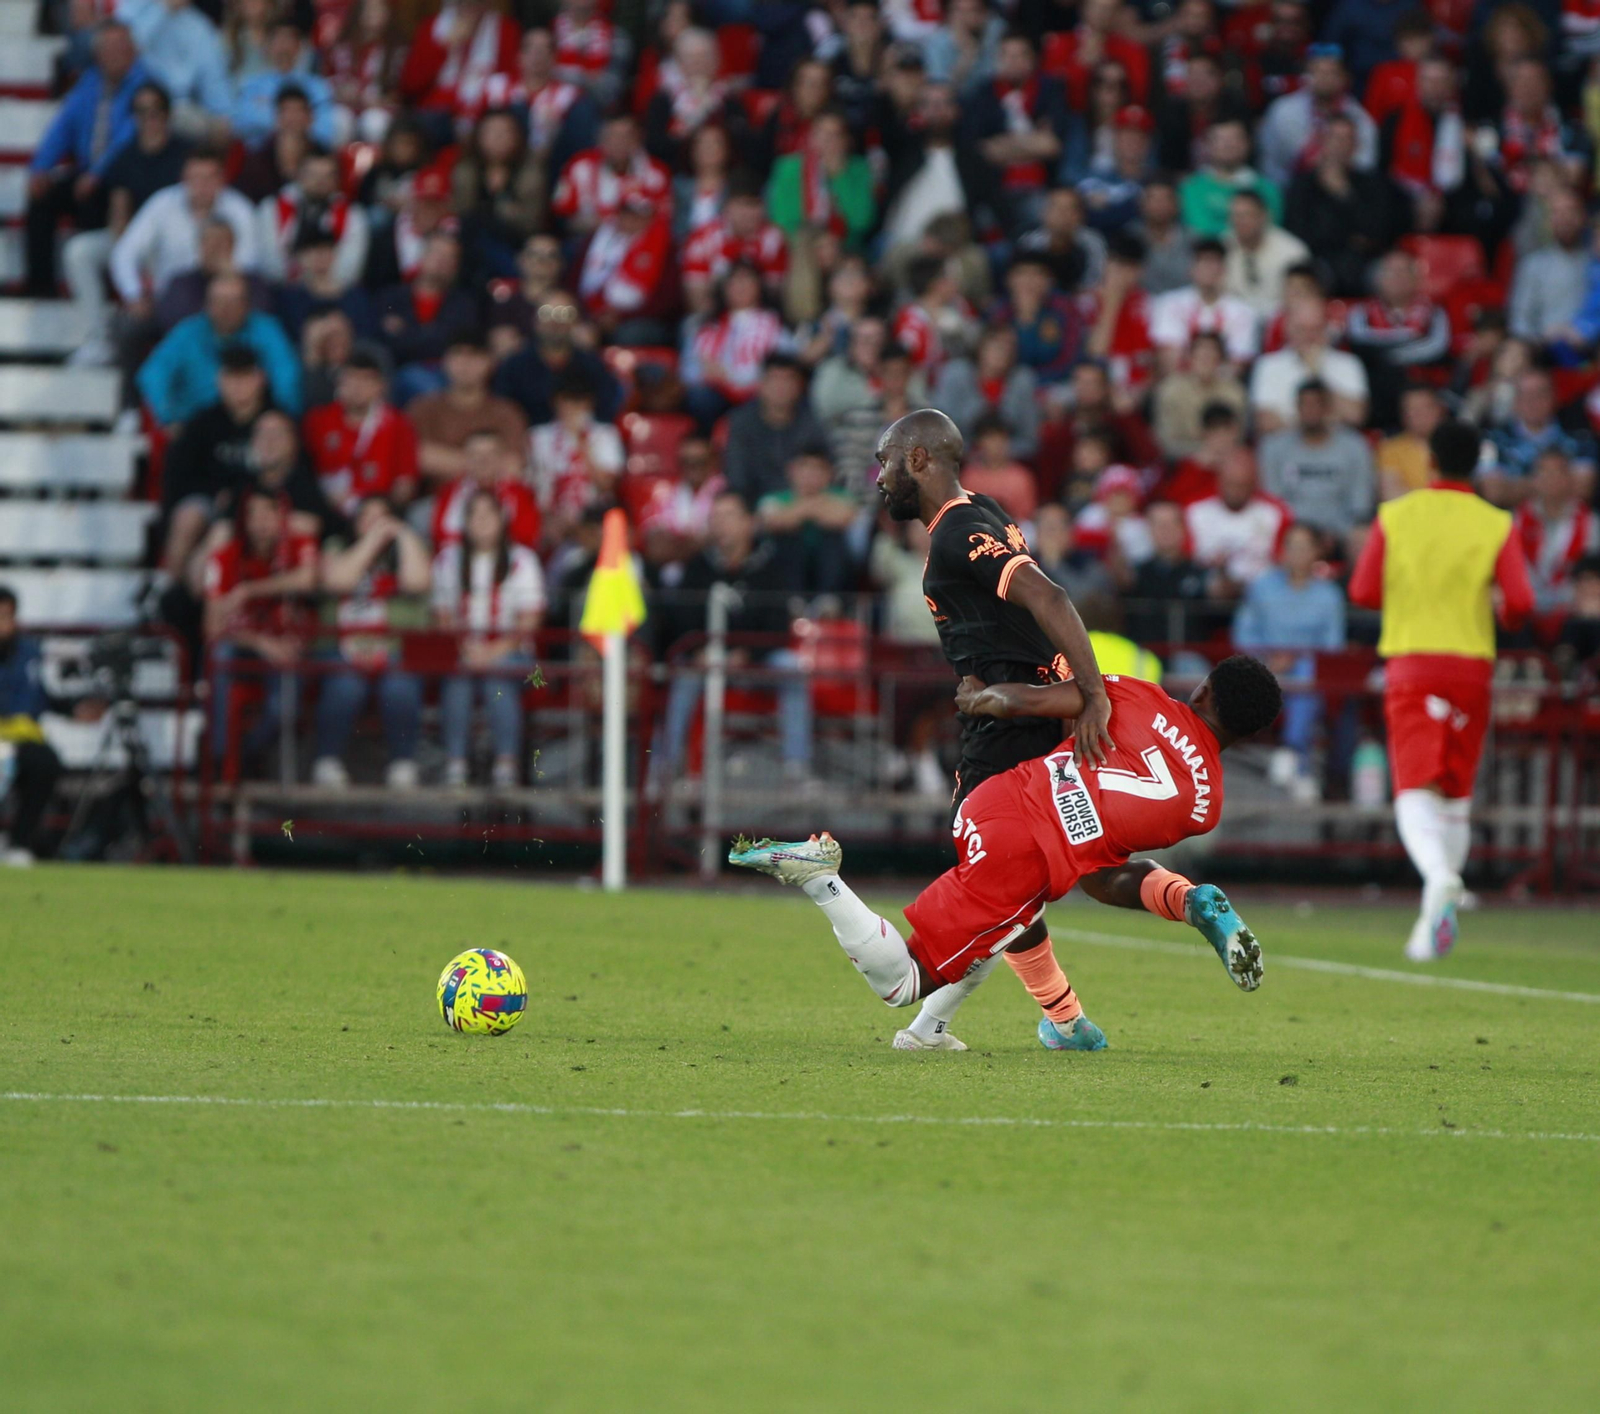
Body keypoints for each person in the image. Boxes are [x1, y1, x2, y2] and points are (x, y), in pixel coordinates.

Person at [728, 657, 1283, 1051]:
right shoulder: (1204, 806)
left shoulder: (1140, 694)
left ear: (1202, 692)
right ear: (1250, 734)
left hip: (997, 796)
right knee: (901, 983)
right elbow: (1103, 860)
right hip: (1024, 856)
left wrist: (978, 698)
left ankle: (934, 1032)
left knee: (1006, 923)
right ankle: (819, 878)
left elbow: (1033, 700)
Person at [874, 407, 1116, 1047]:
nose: (880, 477)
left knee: (991, 882)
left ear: (918, 459)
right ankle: (1063, 1019)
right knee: (1010, 882)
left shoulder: (959, 532)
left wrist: (1090, 694)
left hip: (1011, 726)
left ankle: (937, 1024)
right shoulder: (985, 513)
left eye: (886, 461)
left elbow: (1049, 597)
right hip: (1017, 713)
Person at [1348, 420, 1536, 960]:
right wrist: (1496, 609)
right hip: (1471, 667)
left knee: (1413, 787)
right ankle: (1435, 917)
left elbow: (1362, 590)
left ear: (1430, 461)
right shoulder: (1496, 522)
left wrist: (1411, 596)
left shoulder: (1396, 515)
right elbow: (1522, 603)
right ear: (1477, 465)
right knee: (1455, 794)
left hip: (1413, 663)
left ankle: (1438, 878)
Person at [311, 497, 431, 789]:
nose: (376, 524)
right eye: (367, 517)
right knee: (345, 684)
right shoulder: (336, 546)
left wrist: (402, 535)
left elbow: (417, 582)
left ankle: (403, 762)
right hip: (340, 648)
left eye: (383, 517)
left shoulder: (409, 547)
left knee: (399, 686)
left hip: (394, 649)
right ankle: (327, 760)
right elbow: (338, 581)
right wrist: (372, 541)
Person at [25, 19, 147, 298]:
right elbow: (62, 127)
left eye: (120, 47)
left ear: (132, 50)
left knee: (91, 199)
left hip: (121, 179)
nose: (114, 54)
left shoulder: (144, 85)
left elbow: (127, 140)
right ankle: (40, 287)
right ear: (98, 53)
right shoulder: (89, 82)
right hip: (87, 173)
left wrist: (97, 174)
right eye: (108, 47)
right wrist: (40, 168)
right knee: (41, 197)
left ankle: (95, 289)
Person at [432, 492, 546, 788]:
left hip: (516, 655)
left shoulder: (523, 559)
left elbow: (529, 621)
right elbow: (442, 617)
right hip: (464, 650)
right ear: (465, 522)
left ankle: (506, 764)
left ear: (502, 519)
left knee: (498, 679)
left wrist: (492, 652)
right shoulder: (448, 559)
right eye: (474, 514)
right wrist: (467, 649)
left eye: (488, 513)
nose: (481, 521)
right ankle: (456, 762)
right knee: (458, 676)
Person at [203, 489, 320, 775]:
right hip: (245, 647)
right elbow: (212, 626)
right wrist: (261, 643)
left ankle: (247, 755)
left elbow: (307, 580)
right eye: (253, 514)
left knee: (283, 707)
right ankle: (220, 760)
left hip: (287, 648)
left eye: (269, 513)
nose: (261, 522)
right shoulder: (223, 557)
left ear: (282, 517)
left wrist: (249, 590)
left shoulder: (299, 545)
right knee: (219, 654)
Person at [1232, 522, 1347, 799]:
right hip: (1262, 667)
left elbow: (1333, 645)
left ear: (1317, 552)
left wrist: (1294, 657)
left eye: (1304, 547)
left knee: (1307, 672)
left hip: (1306, 672)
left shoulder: (1329, 595)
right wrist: (1268, 658)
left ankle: (1291, 751)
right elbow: (1244, 633)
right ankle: (1300, 766)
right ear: (1282, 551)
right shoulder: (1262, 587)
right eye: (1292, 547)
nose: (1297, 554)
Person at [138, 272, 301, 429]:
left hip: (254, 424)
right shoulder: (188, 332)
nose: (226, 309)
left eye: (234, 301)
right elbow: (153, 374)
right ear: (206, 304)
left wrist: (284, 417)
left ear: (247, 305)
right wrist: (168, 418)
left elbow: (286, 375)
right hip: (196, 423)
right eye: (219, 301)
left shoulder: (266, 329)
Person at [303, 348, 419, 520]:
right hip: (326, 514)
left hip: (378, 516)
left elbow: (405, 483)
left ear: (381, 386)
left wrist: (384, 511)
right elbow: (304, 470)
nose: (357, 387)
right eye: (350, 378)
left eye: (366, 380)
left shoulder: (398, 424)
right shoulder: (317, 421)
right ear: (339, 383)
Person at [1257, 381, 1376, 543]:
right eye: (1304, 404)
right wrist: (1303, 532)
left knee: (1363, 536)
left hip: (1341, 530)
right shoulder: (1274, 448)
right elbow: (1274, 503)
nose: (1310, 410)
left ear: (1328, 408)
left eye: (1316, 404)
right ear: (1297, 408)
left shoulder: (1355, 446)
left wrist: (1334, 533)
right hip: (1294, 531)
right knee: (1297, 540)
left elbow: (1360, 505)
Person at [0, 586, 64, 865]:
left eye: (6, 616)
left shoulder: (29, 652)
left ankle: (20, 842)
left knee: (45, 763)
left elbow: (41, 696)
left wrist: (74, 708)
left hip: (20, 738)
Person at [720, 354, 830, 508]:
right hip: (753, 505)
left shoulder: (813, 422)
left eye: (788, 380)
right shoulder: (741, 422)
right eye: (774, 379)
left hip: (801, 503)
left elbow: (822, 469)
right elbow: (737, 475)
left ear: (799, 386)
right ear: (761, 384)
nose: (781, 387)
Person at [755, 451, 859, 595]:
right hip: (788, 565)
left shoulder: (842, 496)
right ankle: (793, 599)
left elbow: (845, 518)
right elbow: (772, 521)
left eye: (818, 468)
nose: (810, 474)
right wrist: (816, 507)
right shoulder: (774, 498)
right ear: (791, 470)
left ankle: (827, 599)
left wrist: (798, 511)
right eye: (804, 467)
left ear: (829, 474)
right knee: (788, 540)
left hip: (830, 564)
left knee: (832, 540)